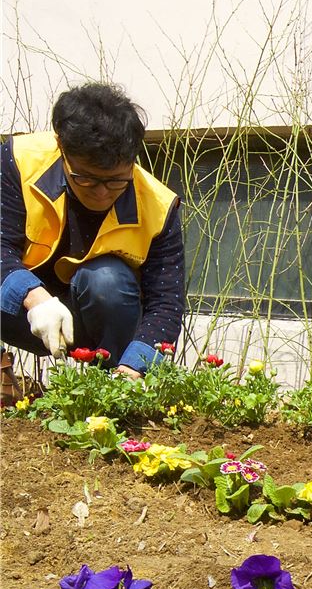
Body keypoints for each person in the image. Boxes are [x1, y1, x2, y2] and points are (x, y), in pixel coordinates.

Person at [0, 82, 184, 384]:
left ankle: (111, 394)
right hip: (24, 311)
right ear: (61, 147)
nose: (101, 193)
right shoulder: (18, 162)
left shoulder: (159, 208)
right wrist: (34, 298)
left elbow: (166, 303)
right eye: (85, 178)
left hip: (102, 320)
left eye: (115, 181)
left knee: (106, 279)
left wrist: (135, 367)